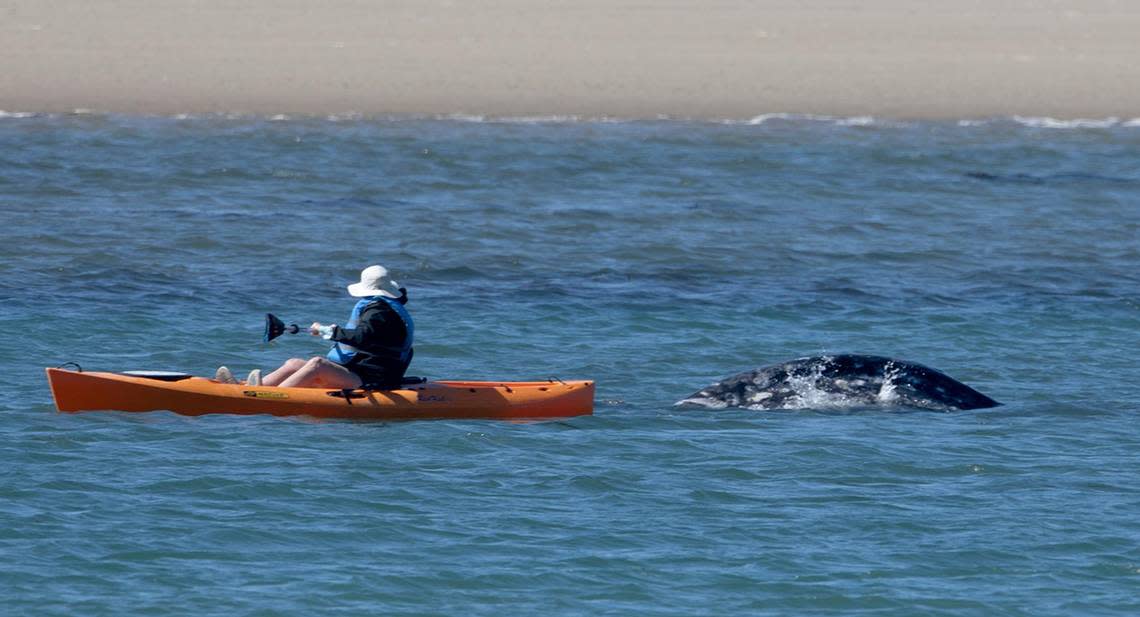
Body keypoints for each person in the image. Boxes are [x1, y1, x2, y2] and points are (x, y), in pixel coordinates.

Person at [238, 265, 414, 389]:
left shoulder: (379, 312)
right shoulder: (382, 308)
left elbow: (362, 337)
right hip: (359, 370)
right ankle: (246, 388)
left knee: (317, 364)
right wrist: (326, 331)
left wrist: (327, 331)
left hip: (372, 378)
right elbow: (368, 337)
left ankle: (268, 397)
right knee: (293, 363)